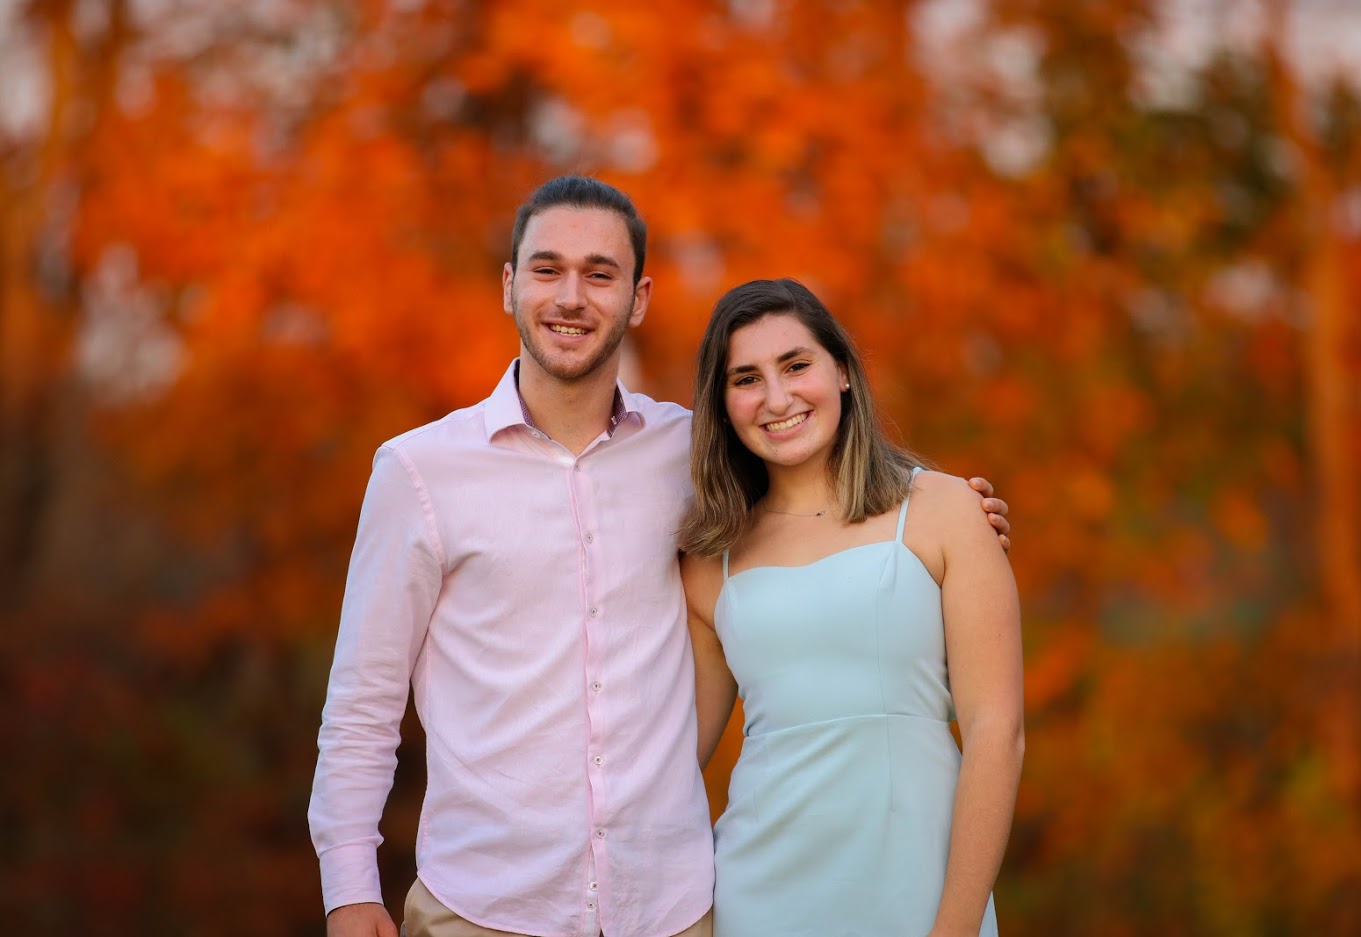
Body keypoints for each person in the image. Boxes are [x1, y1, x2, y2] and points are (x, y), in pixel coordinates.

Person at [309, 177, 1013, 937]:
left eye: (600, 273)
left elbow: (825, 501)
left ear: (637, 298)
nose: (571, 296)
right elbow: (362, 702)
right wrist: (349, 886)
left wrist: (953, 521)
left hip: (667, 910)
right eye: (547, 270)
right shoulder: (419, 472)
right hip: (486, 906)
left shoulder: (688, 457)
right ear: (509, 285)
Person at [681, 279, 1024, 937]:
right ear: (723, 405)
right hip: (757, 900)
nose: (776, 398)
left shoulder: (947, 510)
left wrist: (952, 927)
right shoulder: (709, 560)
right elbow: (668, 765)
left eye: (795, 364)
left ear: (840, 370)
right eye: (746, 378)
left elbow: (996, 730)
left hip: (917, 894)